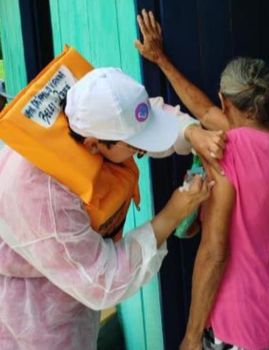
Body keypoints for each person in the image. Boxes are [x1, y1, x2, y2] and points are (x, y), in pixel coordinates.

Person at [0, 67, 225, 349]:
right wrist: (173, 214)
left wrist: (191, 132)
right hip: (36, 317)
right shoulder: (43, 198)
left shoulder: (89, 102)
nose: (140, 154)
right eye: (136, 149)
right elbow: (102, 280)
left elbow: (139, 118)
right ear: (94, 146)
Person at [136, 10, 269, 350]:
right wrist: (162, 60)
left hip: (243, 319)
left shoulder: (228, 150)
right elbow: (205, 113)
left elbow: (214, 253)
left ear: (225, 101)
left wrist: (190, 336)